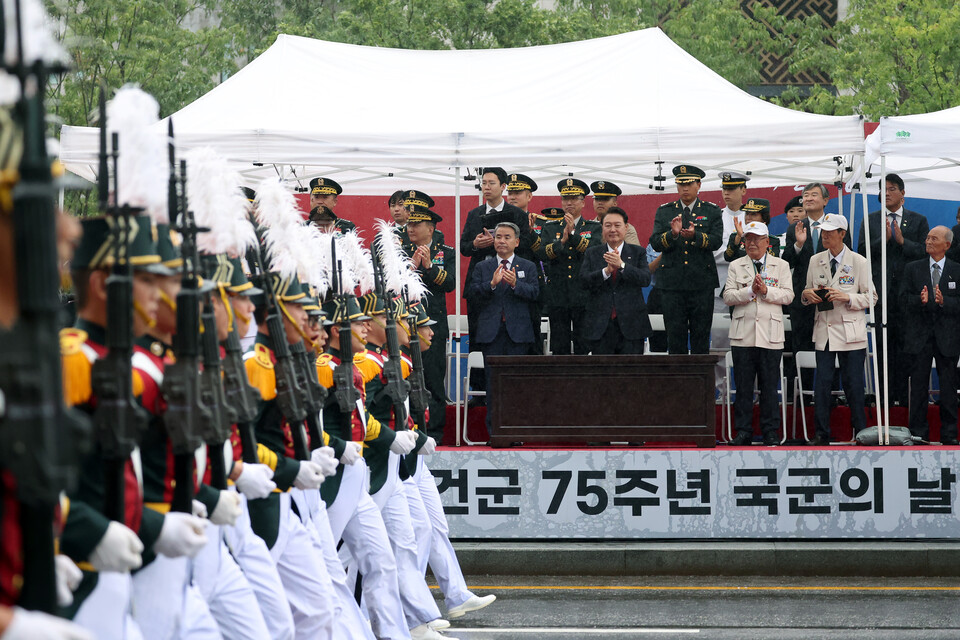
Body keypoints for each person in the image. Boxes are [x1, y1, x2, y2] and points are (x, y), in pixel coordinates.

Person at [800, 214, 876, 445]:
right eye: (823, 231)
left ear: (842, 234)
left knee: (853, 384)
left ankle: (860, 431)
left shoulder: (859, 261)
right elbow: (806, 291)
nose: (825, 235)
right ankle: (821, 433)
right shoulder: (815, 260)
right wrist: (807, 296)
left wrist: (847, 297)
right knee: (821, 385)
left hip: (850, 332)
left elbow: (872, 297)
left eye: (830, 232)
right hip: (824, 330)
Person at [858, 173, 929, 406]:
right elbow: (860, 252)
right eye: (883, 189)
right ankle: (884, 397)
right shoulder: (871, 220)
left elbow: (925, 252)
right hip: (881, 295)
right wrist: (883, 240)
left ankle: (904, 397)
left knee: (906, 347)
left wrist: (902, 242)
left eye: (891, 189)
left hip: (909, 296)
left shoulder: (918, 220)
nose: (886, 193)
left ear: (903, 193)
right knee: (882, 346)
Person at [459, 168, 531, 396]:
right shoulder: (474, 214)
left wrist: (497, 243)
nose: (486, 187)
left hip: (511, 282)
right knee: (479, 337)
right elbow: (464, 247)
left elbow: (526, 246)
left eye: (491, 182)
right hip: (481, 282)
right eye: (483, 183)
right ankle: (479, 391)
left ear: (503, 186)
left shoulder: (515, 213)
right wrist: (476, 245)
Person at [722, 221, 795, 446]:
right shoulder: (736, 265)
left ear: (767, 242)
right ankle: (743, 431)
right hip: (743, 334)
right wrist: (749, 291)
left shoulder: (780, 265)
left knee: (769, 386)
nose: (752, 243)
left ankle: (770, 431)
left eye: (757, 239)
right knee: (743, 386)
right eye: (748, 239)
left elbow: (788, 296)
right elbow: (728, 296)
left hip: (770, 334)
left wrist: (766, 291)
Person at [467, 222, 539, 435]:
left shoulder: (528, 266)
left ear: (516, 242)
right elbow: (472, 294)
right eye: (498, 237)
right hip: (492, 334)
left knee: (516, 385)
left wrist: (516, 284)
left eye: (507, 237)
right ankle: (495, 433)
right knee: (493, 385)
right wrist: (491, 284)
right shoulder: (483, 267)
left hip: (519, 334)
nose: (501, 241)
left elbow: (536, 294)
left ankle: (516, 432)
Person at [648, 165, 723, 354]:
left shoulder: (712, 210)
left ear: (699, 185)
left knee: (700, 337)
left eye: (689, 183)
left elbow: (716, 241)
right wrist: (672, 235)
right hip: (672, 285)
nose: (685, 188)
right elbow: (655, 243)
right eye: (680, 184)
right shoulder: (665, 211)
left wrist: (696, 236)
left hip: (701, 284)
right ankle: (677, 383)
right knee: (675, 337)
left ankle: (699, 383)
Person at [900, 226, 960, 445]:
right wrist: (921, 300)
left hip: (948, 338)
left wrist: (946, 301)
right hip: (919, 338)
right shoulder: (912, 269)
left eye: (934, 238)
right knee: (918, 388)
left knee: (948, 389)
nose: (928, 241)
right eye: (927, 237)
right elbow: (903, 300)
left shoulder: (957, 269)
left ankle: (950, 434)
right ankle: (917, 432)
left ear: (947, 244)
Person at [405, 205, 456, 443]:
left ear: (431, 228)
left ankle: (434, 433)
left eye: (416, 224)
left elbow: (450, 284)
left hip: (434, 326)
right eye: (409, 224)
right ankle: (408, 429)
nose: (411, 228)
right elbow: (390, 286)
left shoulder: (445, 252)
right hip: (404, 327)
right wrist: (412, 266)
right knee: (406, 378)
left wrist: (429, 267)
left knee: (433, 379)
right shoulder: (400, 251)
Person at [538, 178, 601, 354]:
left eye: (574, 198)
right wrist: (562, 242)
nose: (569, 203)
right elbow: (542, 254)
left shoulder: (593, 227)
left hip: (584, 294)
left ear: (583, 202)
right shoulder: (550, 227)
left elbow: (594, 252)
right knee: (559, 345)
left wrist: (573, 234)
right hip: (558, 294)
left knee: (584, 343)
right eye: (565, 199)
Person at [579, 207, 651, 354]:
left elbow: (645, 279)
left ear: (626, 228)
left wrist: (622, 266)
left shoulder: (638, 252)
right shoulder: (592, 253)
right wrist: (606, 272)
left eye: (617, 225)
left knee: (630, 373)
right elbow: (583, 281)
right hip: (600, 326)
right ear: (602, 228)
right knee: (602, 374)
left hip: (631, 326)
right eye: (608, 225)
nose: (613, 230)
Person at [505, 173, 545, 354]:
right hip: (503, 285)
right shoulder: (499, 222)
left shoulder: (541, 223)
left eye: (518, 192)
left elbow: (545, 252)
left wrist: (529, 233)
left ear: (529, 196)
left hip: (530, 285)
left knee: (532, 339)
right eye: (510, 192)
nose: (512, 196)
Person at [591, 180, 641, 246]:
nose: (600, 203)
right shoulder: (588, 227)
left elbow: (633, 253)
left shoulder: (626, 229)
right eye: (597, 199)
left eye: (605, 199)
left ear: (615, 203)